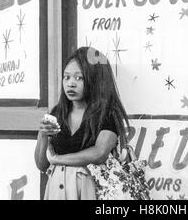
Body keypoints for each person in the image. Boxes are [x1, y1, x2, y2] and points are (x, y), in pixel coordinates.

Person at [34, 46, 130, 200]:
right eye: (67, 77)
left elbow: (99, 153)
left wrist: (58, 159)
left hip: (90, 192)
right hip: (55, 192)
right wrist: (43, 135)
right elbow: (41, 165)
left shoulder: (107, 114)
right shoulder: (57, 113)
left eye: (79, 78)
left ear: (95, 80)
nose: (70, 84)